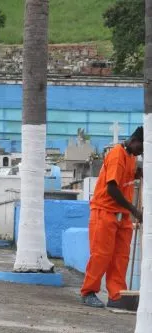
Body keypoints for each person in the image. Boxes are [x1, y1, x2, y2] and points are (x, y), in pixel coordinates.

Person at [80, 126, 144, 308]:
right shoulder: (117, 155)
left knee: (121, 257)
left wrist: (136, 173)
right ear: (133, 141)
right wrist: (134, 210)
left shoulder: (131, 157)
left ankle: (116, 295)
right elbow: (112, 188)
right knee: (101, 255)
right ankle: (88, 292)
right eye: (140, 148)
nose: (140, 153)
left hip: (122, 217)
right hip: (105, 212)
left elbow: (125, 179)